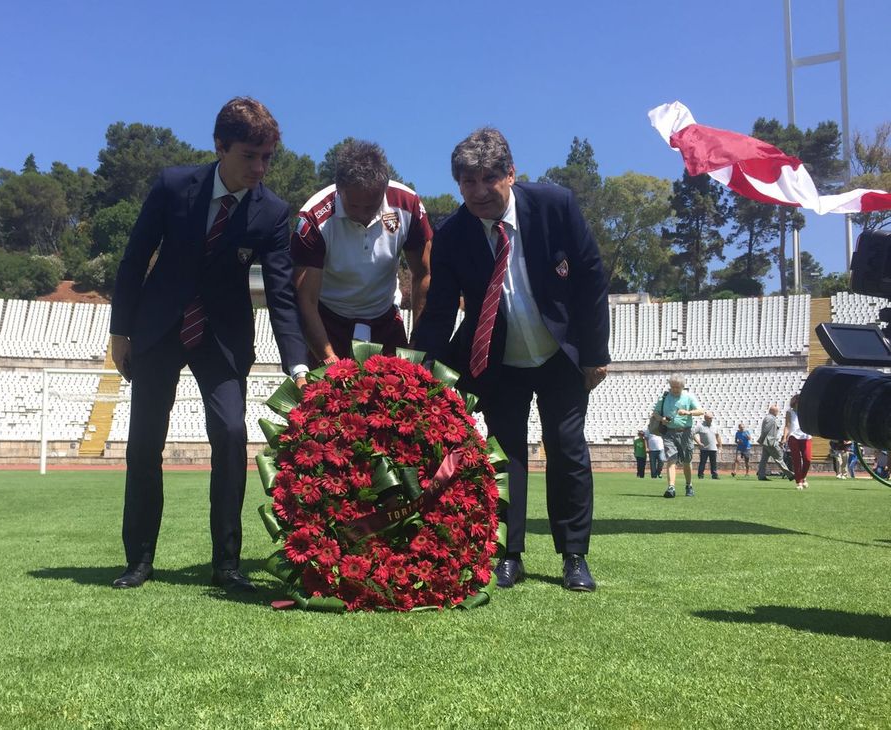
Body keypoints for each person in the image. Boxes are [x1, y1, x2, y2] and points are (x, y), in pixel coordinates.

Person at [108, 97, 309, 592]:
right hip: (157, 331)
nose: (260, 168)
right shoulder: (173, 187)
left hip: (220, 339)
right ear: (219, 147)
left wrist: (297, 364)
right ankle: (139, 560)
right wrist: (120, 330)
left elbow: (282, 293)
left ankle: (227, 563)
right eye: (249, 156)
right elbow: (135, 258)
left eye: (268, 157)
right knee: (144, 444)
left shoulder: (273, 212)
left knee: (232, 434)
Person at [412, 127, 610, 592]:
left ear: (511, 174)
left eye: (488, 179)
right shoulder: (452, 235)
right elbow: (440, 310)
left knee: (568, 449)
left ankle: (574, 556)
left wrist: (596, 354)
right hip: (496, 360)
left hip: (560, 354)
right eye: (467, 182)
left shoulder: (555, 205)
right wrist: (420, 370)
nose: (479, 192)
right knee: (504, 457)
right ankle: (507, 554)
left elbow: (590, 278)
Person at [292, 140, 432, 366]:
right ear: (339, 189)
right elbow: (306, 299)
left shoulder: (408, 204)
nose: (363, 214)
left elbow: (424, 273)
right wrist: (328, 357)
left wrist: (417, 340)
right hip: (328, 323)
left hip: (385, 321)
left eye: (372, 206)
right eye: (354, 206)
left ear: (384, 189)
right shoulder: (314, 219)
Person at [649, 374, 704, 498]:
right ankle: (671, 487)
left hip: (686, 432)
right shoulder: (664, 397)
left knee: (686, 461)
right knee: (671, 459)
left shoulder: (689, 397)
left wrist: (688, 412)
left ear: (682, 387)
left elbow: (701, 411)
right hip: (669, 432)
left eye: (677, 387)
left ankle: (689, 485)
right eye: (672, 387)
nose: (674, 389)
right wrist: (662, 419)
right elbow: (655, 413)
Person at [756, 404, 793, 482]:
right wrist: (761, 439)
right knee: (779, 458)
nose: (778, 412)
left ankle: (761, 475)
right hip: (771, 442)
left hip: (768, 442)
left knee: (764, 460)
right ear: (773, 411)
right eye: (777, 411)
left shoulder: (768, 418)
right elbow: (765, 430)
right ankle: (791, 475)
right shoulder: (770, 419)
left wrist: (762, 440)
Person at [781, 394, 812, 490]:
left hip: (806, 436)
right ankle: (799, 481)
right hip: (793, 437)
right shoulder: (789, 412)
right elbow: (787, 425)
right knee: (796, 460)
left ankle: (803, 477)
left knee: (807, 459)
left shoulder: (806, 412)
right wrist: (784, 437)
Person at [692, 412, 722, 480]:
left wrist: (720, 446)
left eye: (711, 418)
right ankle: (700, 475)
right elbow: (692, 434)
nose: (711, 419)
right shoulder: (700, 426)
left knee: (713, 463)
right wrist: (699, 442)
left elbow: (717, 436)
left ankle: (714, 475)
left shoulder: (715, 426)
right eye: (709, 418)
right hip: (704, 449)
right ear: (705, 418)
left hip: (713, 448)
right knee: (702, 462)